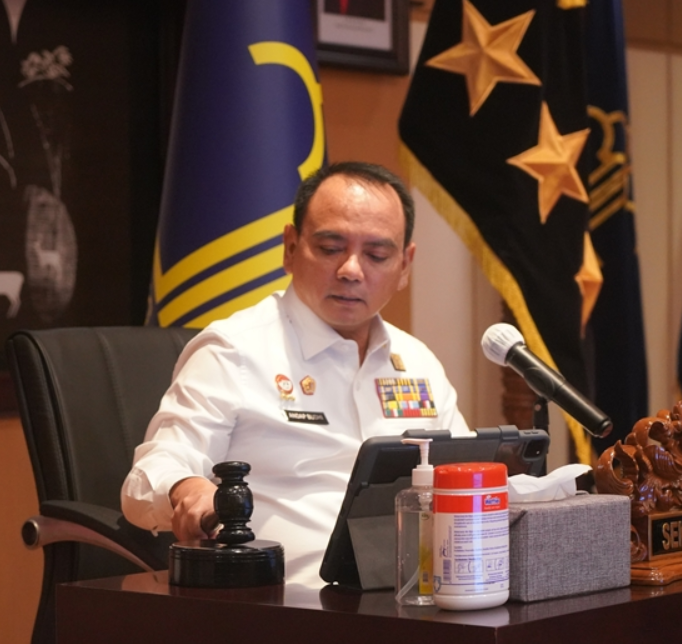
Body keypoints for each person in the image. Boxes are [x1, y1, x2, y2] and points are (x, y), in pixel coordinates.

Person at [121, 162, 470, 587]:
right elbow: (152, 472)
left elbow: (471, 474)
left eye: (377, 255)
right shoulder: (235, 351)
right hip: (283, 601)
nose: (351, 270)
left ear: (405, 265)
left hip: (417, 596)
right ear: (290, 247)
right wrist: (189, 489)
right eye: (330, 248)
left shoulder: (418, 361)